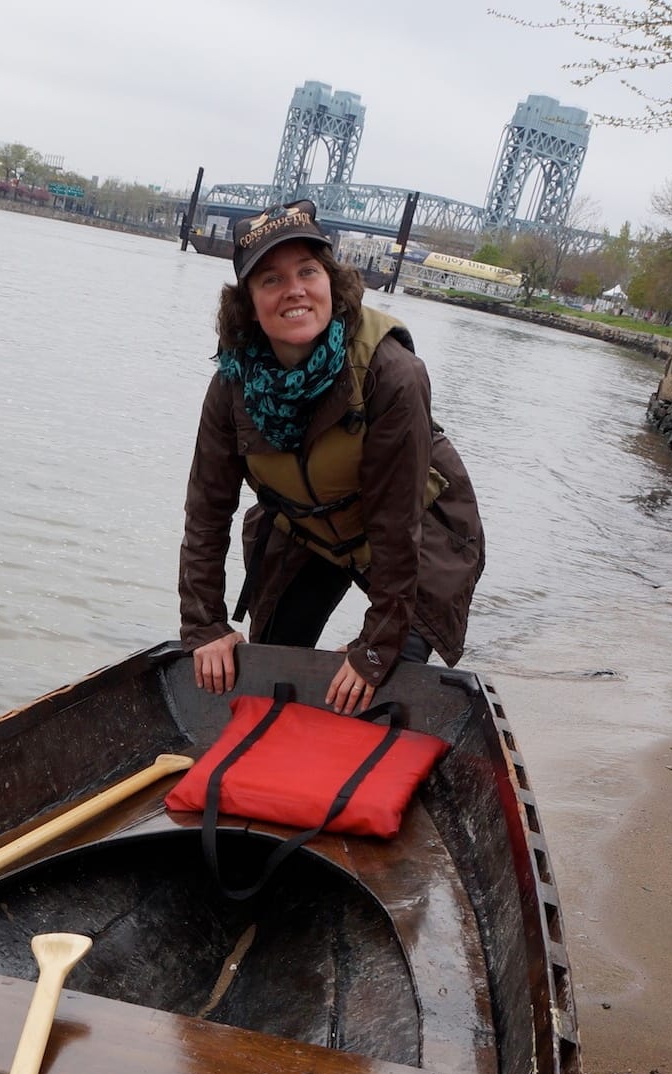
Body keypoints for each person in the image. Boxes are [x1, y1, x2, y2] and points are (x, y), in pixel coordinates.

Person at [179, 203, 485, 713]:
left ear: (332, 282)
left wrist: (376, 644)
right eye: (271, 279)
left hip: (416, 541)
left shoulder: (394, 373)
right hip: (307, 533)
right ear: (249, 305)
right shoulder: (230, 385)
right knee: (271, 670)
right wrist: (204, 624)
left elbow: (396, 523)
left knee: (383, 686)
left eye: (307, 271)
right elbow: (207, 511)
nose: (294, 289)